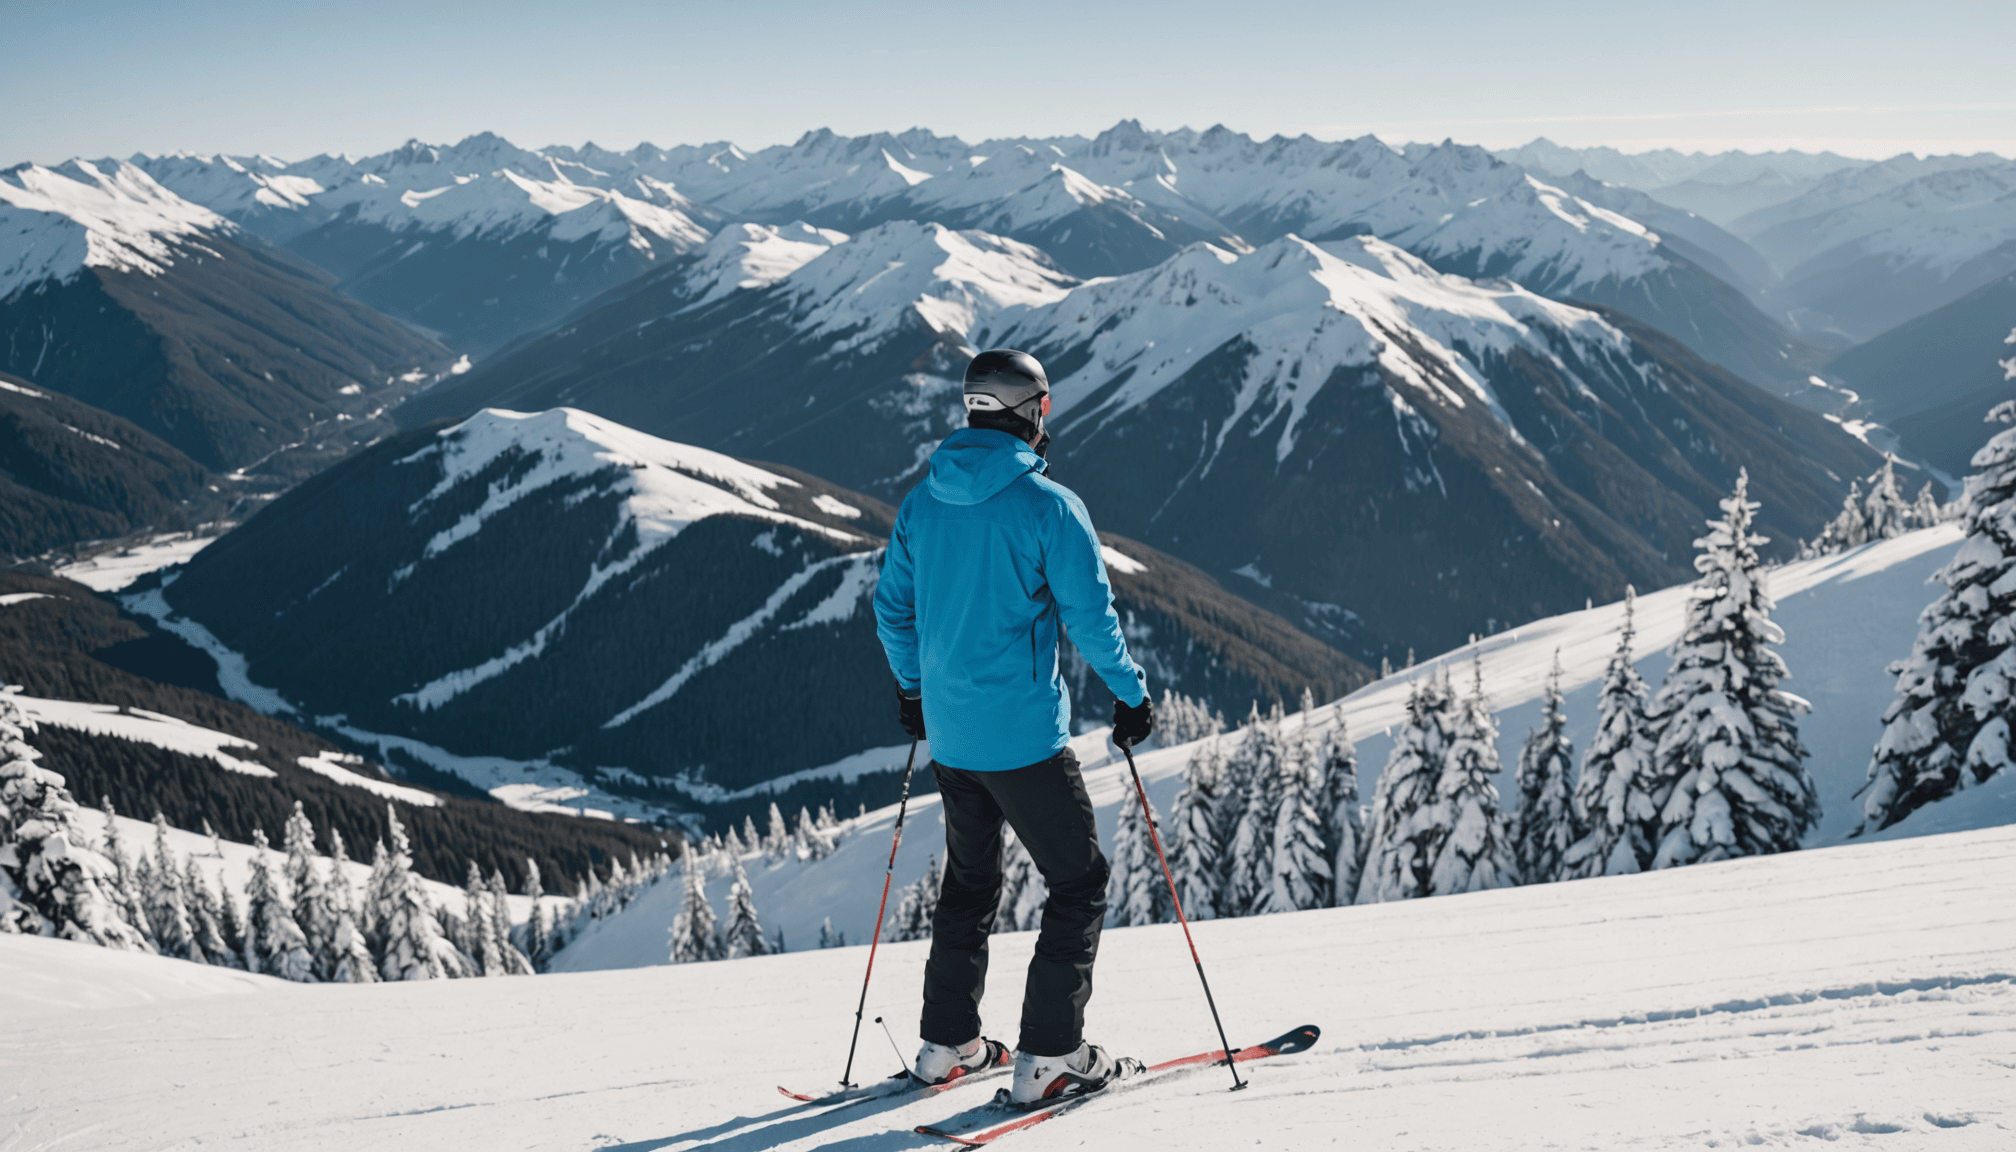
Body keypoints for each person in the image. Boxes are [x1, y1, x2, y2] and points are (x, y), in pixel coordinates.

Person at [873, 348, 1155, 1107]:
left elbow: (892, 609)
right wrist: (1131, 696)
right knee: (1079, 882)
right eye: (1045, 407)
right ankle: (1052, 1055)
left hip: (953, 740)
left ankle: (948, 1046)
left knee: (969, 884)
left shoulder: (922, 503)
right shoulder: (1048, 506)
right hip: (1025, 741)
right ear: (1031, 411)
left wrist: (913, 689)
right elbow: (1091, 620)